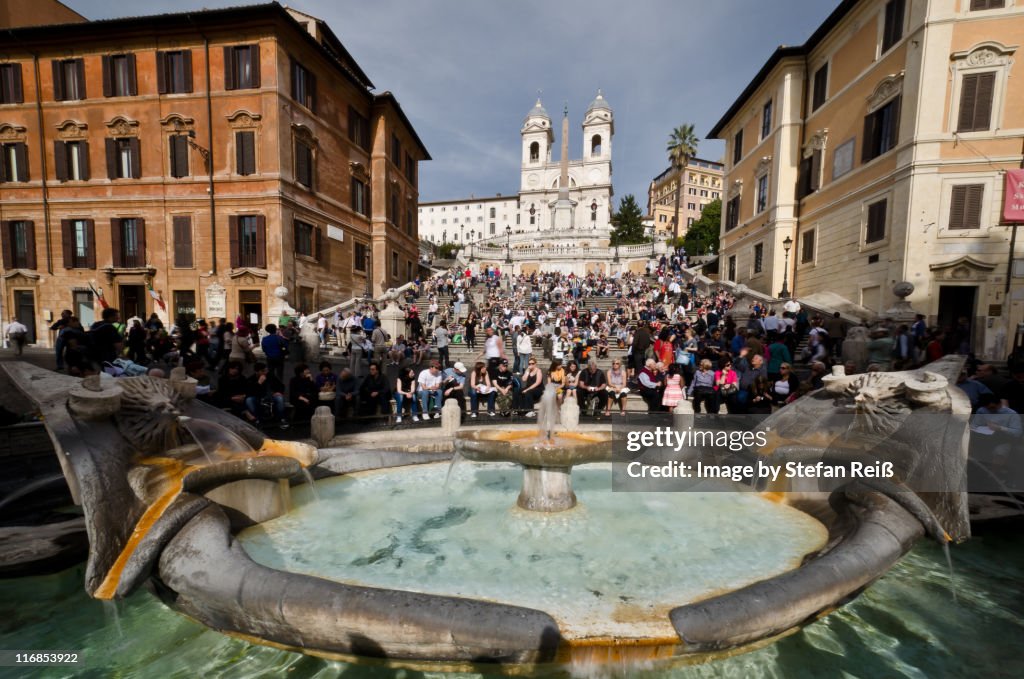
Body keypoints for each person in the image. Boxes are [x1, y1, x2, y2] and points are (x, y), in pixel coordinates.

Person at [246, 361, 288, 429]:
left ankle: (281, 419)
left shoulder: (270, 376)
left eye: (266, 370)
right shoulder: (251, 379)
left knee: (279, 398)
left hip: (270, 397)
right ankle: (257, 419)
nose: (265, 372)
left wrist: (279, 392)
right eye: (262, 371)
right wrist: (259, 383)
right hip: (258, 398)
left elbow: (281, 385)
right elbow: (250, 392)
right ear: (257, 372)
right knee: (249, 400)